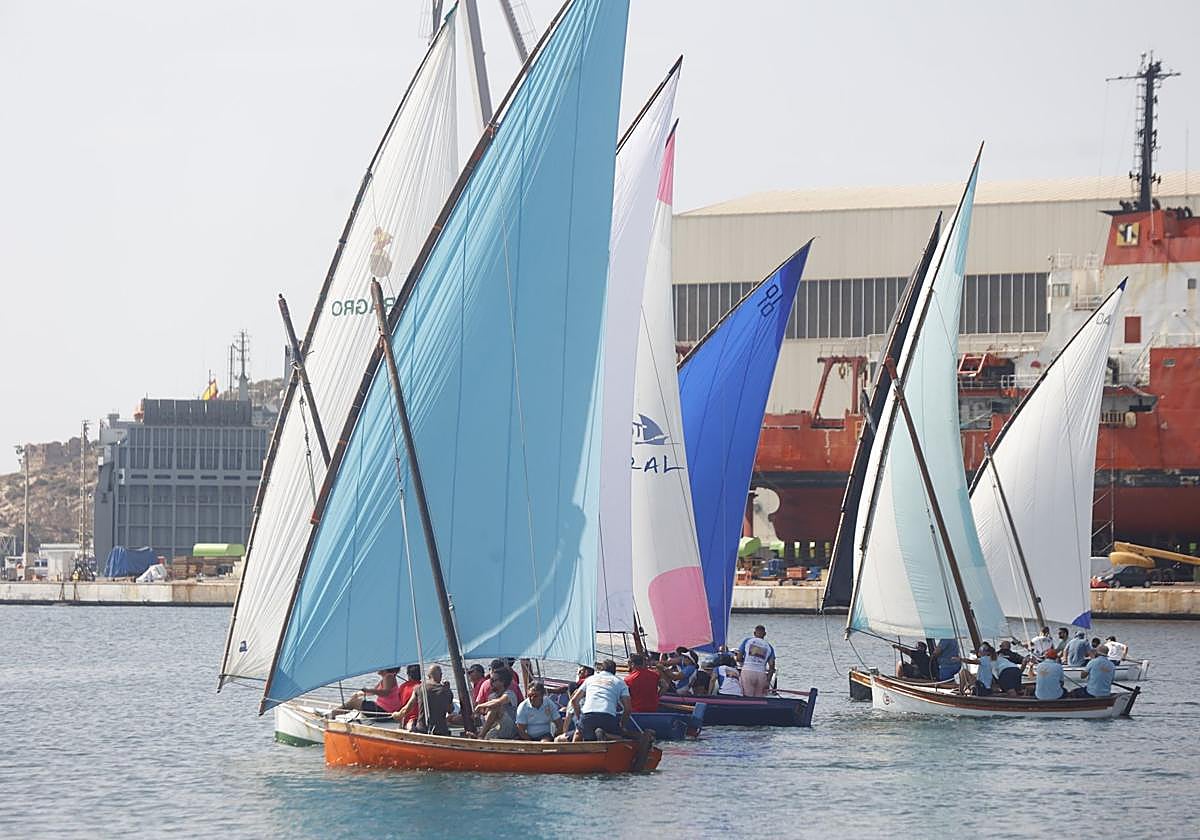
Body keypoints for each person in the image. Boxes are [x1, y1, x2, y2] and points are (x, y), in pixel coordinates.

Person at [569, 659, 631, 741]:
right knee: (620, 737)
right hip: (607, 716)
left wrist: (579, 717)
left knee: (579, 732)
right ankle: (606, 735)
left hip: (588, 715)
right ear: (614, 671)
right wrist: (622, 726)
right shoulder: (620, 682)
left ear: (601, 669)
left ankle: (573, 751)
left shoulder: (590, 679)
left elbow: (574, 701)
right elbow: (628, 708)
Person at [394, 664, 453, 735]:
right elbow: (450, 710)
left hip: (422, 730)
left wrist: (397, 715)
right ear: (441, 675)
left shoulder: (419, 688)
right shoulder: (446, 691)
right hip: (441, 731)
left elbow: (407, 709)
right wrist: (448, 689)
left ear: (428, 675)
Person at [327, 667, 402, 718]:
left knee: (353, 703)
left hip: (384, 712)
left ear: (385, 668)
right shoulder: (386, 678)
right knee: (355, 701)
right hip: (383, 709)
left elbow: (385, 692)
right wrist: (360, 694)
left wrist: (369, 690)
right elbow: (374, 691)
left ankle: (331, 715)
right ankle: (334, 713)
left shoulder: (388, 677)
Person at [476, 668, 519, 739]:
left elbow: (498, 702)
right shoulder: (492, 697)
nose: (491, 683)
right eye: (491, 680)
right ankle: (481, 734)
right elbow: (488, 713)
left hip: (509, 728)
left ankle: (481, 735)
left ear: (502, 682)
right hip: (497, 727)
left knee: (495, 707)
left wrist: (480, 706)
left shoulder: (510, 694)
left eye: (493, 681)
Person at [737, 625, 777, 696]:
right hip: (761, 674)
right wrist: (768, 681)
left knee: (747, 697)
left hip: (748, 671)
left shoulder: (747, 641)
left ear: (754, 633)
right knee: (759, 698)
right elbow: (772, 666)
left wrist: (745, 661)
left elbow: (739, 658)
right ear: (765, 634)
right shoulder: (769, 646)